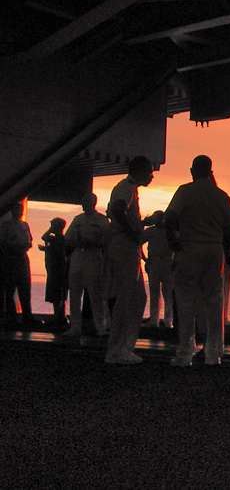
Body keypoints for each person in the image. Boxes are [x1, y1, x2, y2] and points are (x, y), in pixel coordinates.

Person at [165, 155, 230, 367]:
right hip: (214, 248)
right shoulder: (221, 195)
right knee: (214, 300)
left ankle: (185, 351)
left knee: (186, 300)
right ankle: (214, 353)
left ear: (192, 170)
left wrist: (173, 241)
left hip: (189, 246)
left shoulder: (185, 191)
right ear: (211, 171)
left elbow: (169, 218)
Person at [104, 155, 154, 365]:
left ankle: (124, 347)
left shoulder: (129, 188)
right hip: (124, 246)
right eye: (149, 171)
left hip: (125, 245)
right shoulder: (127, 187)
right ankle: (118, 350)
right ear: (139, 171)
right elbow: (118, 209)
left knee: (137, 297)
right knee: (128, 299)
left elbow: (123, 214)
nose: (152, 176)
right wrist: (133, 234)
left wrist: (143, 223)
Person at [64, 193, 110, 337]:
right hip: (78, 255)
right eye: (83, 201)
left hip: (94, 256)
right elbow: (68, 238)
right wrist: (77, 242)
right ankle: (75, 327)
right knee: (75, 293)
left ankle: (100, 327)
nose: (84, 204)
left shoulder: (102, 221)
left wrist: (93, 242)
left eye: (87, 201)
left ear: (93, 202)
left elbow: (108, 240)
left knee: (96, 293)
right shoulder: (78, 220)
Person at [0, 202, 36, 330]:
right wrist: (14, 247)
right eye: (17, 209)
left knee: (25, 287)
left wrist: (25, 246)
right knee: (10, 288)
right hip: (11, 258)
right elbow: (3, 243)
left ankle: (27, 317)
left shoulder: (24, 225)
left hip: (22, 257)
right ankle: (11, 318)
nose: (19, 212)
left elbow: (29, 240)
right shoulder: (6, 226)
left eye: (20, 209)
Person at [143, 211, 174, 329]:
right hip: (154, 262)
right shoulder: (150, 232)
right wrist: (145, 259)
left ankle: (168, 321)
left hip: (167, 262)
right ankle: (153, 320)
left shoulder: (170, 232)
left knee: (168, 294)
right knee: (154, 293)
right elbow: (138, 241)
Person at [40, 217, 68, 326]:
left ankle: (58, 317)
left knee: (57, 294)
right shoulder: (57, 238)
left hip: (57, 270)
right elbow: (45, 237)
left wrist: (47, 249)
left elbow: (57, 251)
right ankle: (59, 316)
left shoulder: (59, 239)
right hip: (54, 269)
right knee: (58, 294)